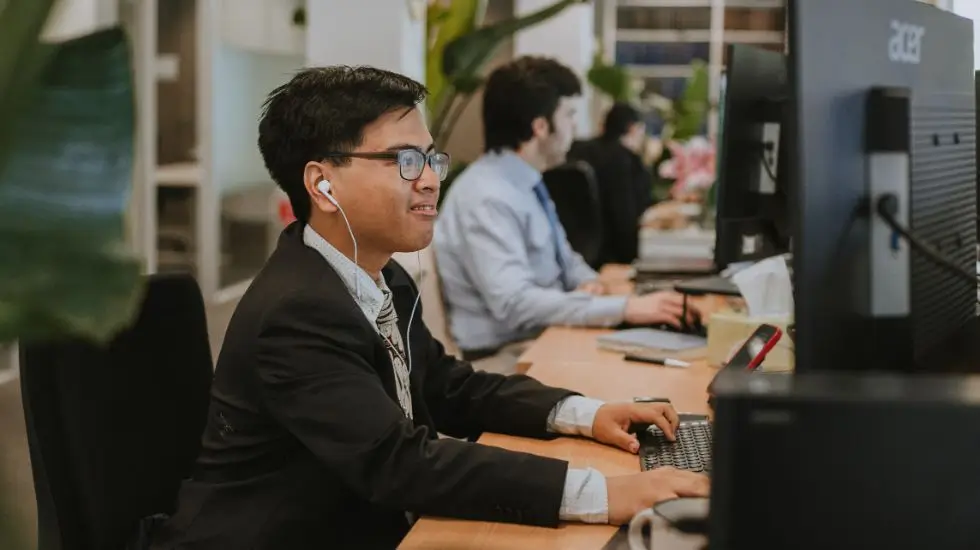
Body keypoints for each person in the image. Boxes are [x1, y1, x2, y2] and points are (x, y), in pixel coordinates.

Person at [148, 66, 708, 550]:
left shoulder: (379, 272)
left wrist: (584, 412)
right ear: (323, 185)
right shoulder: (296, 312)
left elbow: (449, 386)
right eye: (405, 160)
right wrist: (601, 492)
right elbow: (399, 463)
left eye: (431, 158)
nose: (432, 179)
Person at [434, 57, 697, 361]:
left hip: (540, 337)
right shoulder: (486, 196)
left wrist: (591, 284)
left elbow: (566, 260)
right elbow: (514, 305)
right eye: (570, 115)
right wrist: (624, 307)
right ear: (541, 127)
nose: (575, 127)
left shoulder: (526, 183)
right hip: (502, 356)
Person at [568, 102, 655, 265]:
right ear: (632, 128)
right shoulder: (626, 161)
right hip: (609, 259)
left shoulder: (576, 150)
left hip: (568, 256)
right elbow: (626, 217)